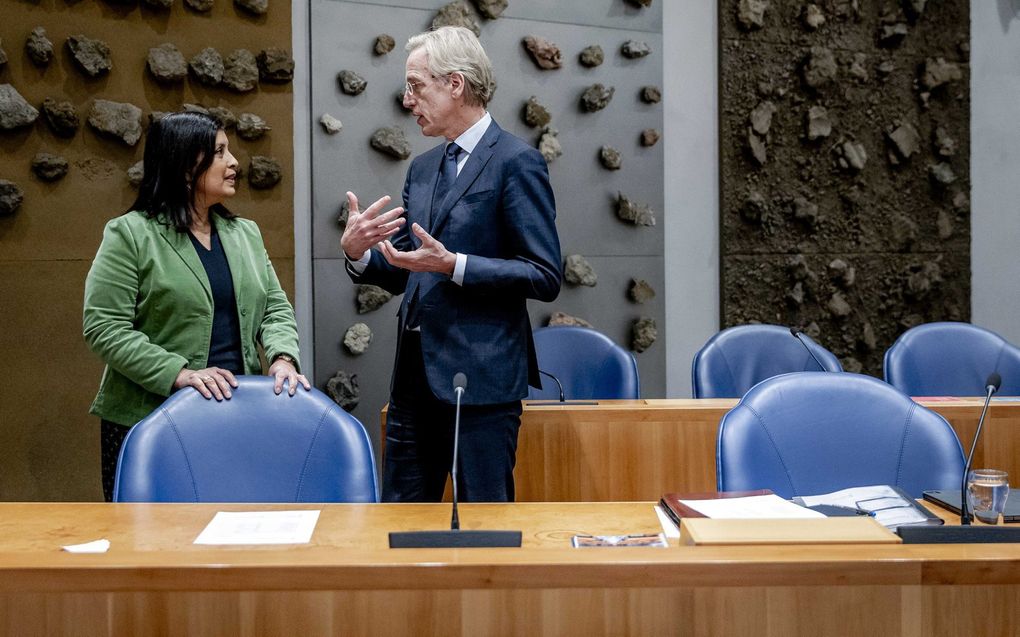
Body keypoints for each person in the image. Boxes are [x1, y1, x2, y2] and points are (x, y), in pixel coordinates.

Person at [341, 26, 562, 503]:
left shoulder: (516, 162)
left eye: (416, 86)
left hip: (480, 385)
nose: (407, 99)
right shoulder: (421, 168)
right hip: (411, 384)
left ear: (455, 84)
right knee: (399, 523)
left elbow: (544, 274)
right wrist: (359, 252)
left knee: (485, 529)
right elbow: (405, 266)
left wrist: (455, 265)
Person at [84, 111, 310, 502]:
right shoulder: (130, 234)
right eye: (220, 152)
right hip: (149, 420)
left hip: (236, 415)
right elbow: (104, 328)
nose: (234, 162)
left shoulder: (246, 234)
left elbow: (275, 308)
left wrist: (282, 357)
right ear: (186, 165)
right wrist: (180, 374)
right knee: (154, 549)